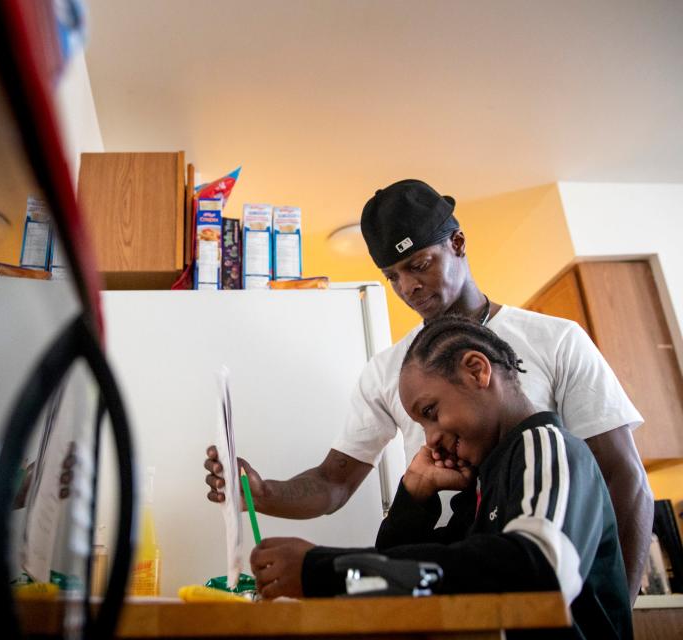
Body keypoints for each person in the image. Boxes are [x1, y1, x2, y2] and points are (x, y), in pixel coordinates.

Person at [205, 179, 651, 596]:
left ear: (457, 244)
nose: (408, 286)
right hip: (462, 576)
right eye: (393, 276)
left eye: (418, 265)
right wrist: (261, 494)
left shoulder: (555, 355)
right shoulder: (387, 373)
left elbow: (622, 478)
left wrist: (619, 612)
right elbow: (333, 482)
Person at [251, 317, 632, 639]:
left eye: (430, 411)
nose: (430, 437)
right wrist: (414, 498)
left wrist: (321, 571)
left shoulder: (545, 447)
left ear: (477, 371)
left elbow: (542, 570)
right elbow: (416, 577)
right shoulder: (486, 480)